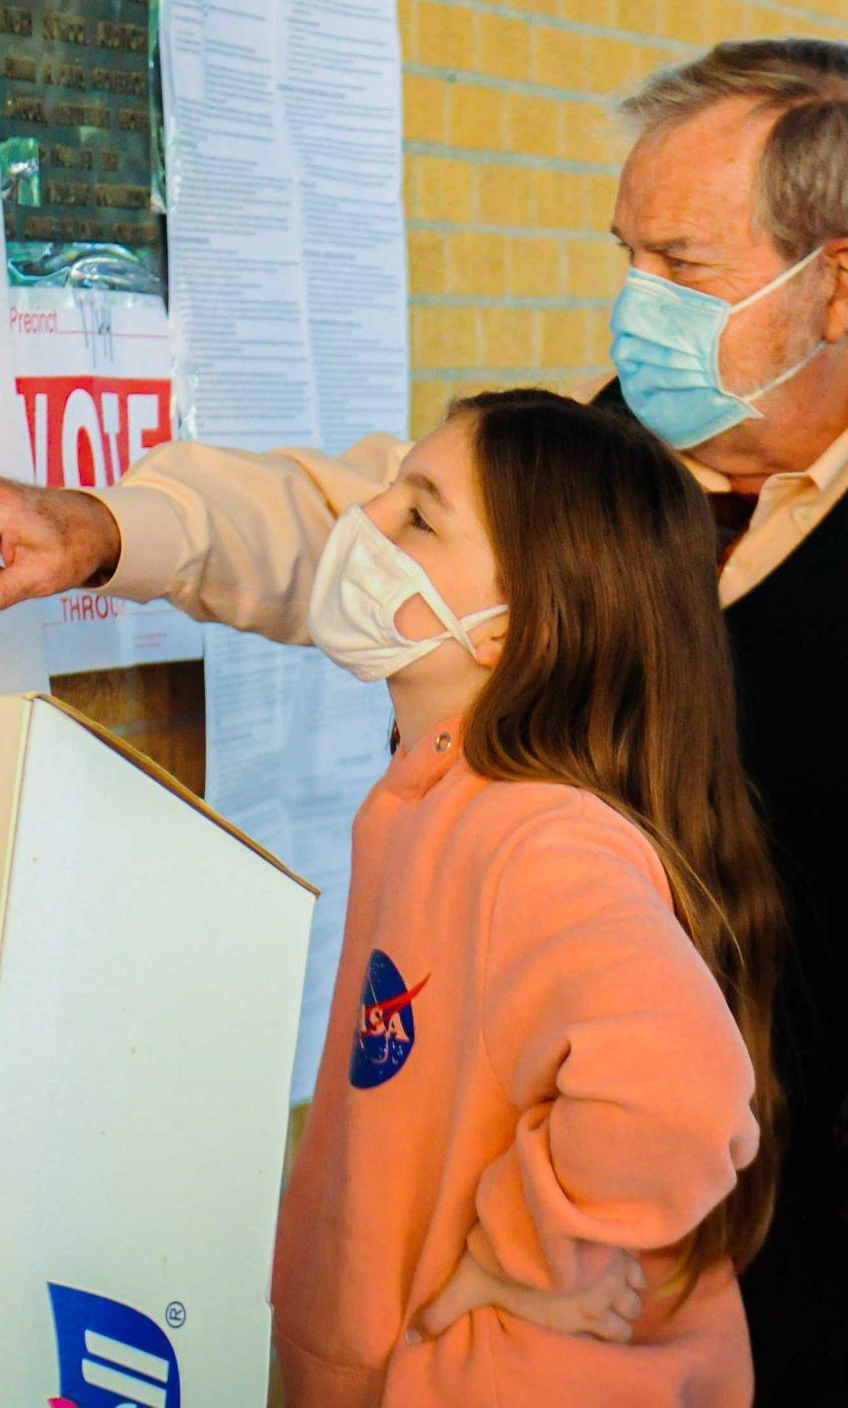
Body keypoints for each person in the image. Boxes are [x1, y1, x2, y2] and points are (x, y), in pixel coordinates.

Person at [0, 38, 848, 1403]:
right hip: (504, 1278)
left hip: (823, 1244)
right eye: (625, 253)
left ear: (841, 284)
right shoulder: (605, 447)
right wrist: (105, 526)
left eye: (682, 267)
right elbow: (354, 522)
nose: (637, 304)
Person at [266, 388, 778, 1405]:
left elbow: (679, 1093)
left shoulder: (538, 835)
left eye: (418, 513)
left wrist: (516, 1257)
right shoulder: (431, 797)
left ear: (512, 627)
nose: (364, 524)